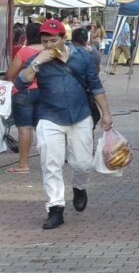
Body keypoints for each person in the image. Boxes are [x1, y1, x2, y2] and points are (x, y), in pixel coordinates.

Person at [15, 19, 112, 229]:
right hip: (49, 116)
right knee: (51, 162)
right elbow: (20, 83)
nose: (49, 45)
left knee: (83, 163)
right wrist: (37, 62)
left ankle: (79, 186)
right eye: (45, 41)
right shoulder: (37, 59)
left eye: (53, 41)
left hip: (80, 115)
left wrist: (106, 114)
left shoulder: (83, 57)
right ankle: (55, 208)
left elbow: (95, 86)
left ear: (63, 38)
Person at [5, 23, 39, 175]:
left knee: (25, 128)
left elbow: (11, 74)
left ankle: (23, 164)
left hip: (24, 92)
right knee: (45, 128)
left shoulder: (25, 51)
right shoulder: (49, 52)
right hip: (46, 92)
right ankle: (51, 160)